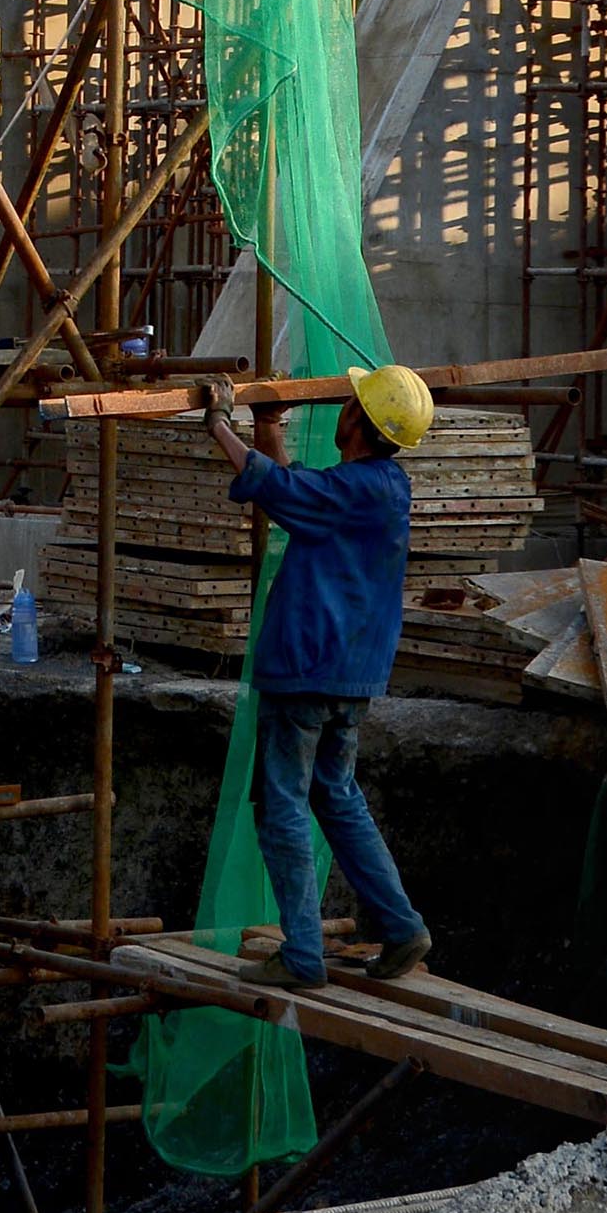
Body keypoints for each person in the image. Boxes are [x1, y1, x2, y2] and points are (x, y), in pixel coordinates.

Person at [202, 361, 440, 994]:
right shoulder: (380, 486)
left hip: (307, 669)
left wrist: (219, 424)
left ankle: (302, 953)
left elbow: (277, 490)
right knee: (336, 795)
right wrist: (267, 427)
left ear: (358, 421)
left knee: (282, 804)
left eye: (351, 404)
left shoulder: (352, 492)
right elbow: (299, 493)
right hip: (351, 675)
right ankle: (400, 925)